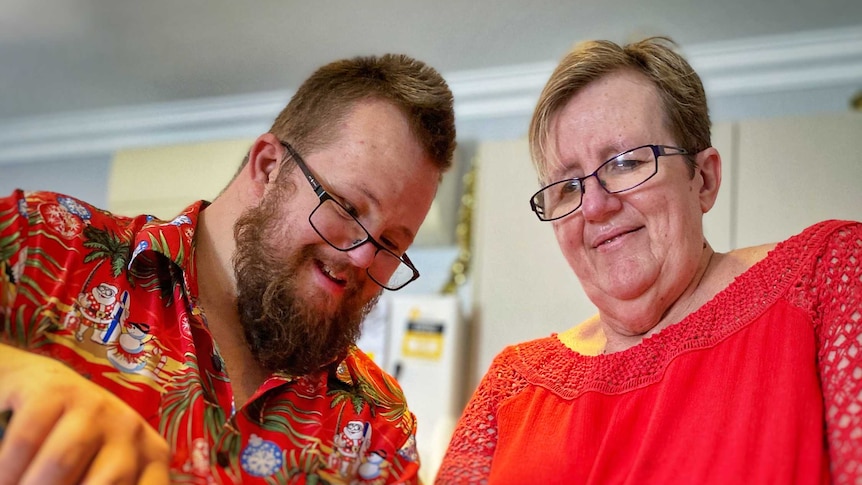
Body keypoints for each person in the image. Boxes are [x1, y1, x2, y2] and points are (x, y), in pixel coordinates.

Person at [0, 53, 456, 484]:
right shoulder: (49, 244)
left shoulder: (376, 423)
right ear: (268, 166)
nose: (362, 256)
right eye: (347, 207)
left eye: (392, 243)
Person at [436, 37, 861, 484]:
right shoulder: (513, 386)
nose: (595, 207)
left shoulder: (826, 275)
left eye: (625, 163)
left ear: (705, 179)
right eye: (568, 187)